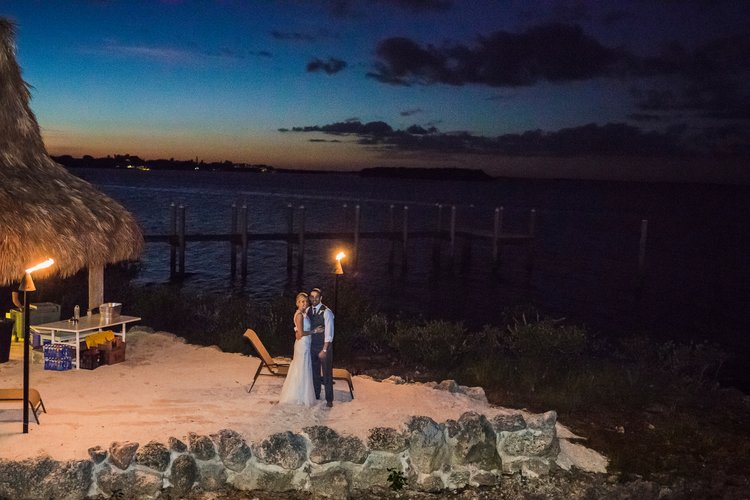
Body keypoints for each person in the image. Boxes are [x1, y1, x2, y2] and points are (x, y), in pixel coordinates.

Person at [278, 292, 321, 406]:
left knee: (303, 368)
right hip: (302, 345)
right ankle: (298, 395)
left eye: (306, 301)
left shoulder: (303, 313)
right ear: (297, 303)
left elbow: (298, 332)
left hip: (304, 344)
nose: (304, 303)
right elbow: (301, 334)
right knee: (301, 368)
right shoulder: (299, 315)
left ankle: (301, 394)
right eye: (302, 301)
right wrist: (314, 331)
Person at [308, 287, 335, 407]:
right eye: (312, 297)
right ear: (310, 298)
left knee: (327, 374)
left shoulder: (327, 312)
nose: (314, 299)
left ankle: (329, 399)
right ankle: (316, 394)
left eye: (316, 297)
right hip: (312, 346)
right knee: (315, 373)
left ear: (321, 298)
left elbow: (329, 333)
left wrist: (324, 350)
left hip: (324, 347)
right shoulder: (308, 310)